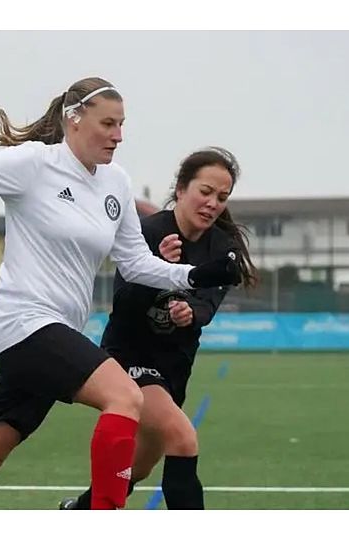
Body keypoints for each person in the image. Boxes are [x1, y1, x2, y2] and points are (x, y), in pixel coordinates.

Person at [0, 77, 241, 510]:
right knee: (124, 395)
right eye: (108, 123)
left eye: (122, 125)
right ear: (74, 119)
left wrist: (196, 276)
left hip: (57, 333)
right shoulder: (34, 163)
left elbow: (137, 264)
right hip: (24, 324)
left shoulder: (116, 183)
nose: (118, 135)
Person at [59, 147, 258, 510]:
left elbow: (207, 306)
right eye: (205, 191)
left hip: (174, 366)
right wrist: (158, 266)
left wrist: (191, 312)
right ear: (181, 189)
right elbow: (126, 301)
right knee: (183, 438)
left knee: (137, 466)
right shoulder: (146, 232)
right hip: (128, 358)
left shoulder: (222, 249)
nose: (213, 203)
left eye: (222, 197)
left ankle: (79, 512)